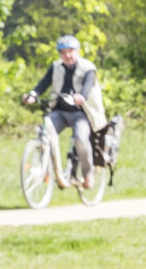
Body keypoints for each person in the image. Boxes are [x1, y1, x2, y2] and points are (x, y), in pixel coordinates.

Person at [21, 36, 107, 188]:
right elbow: (43, 84)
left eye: (70, 51)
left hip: (82, 113)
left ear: (77, 51)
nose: (67, 55)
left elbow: (88, 85)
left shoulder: (88, 68)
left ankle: (88, 172)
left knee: (80, 139)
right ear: (60, 54)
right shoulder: (56, 67)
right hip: (60, 111)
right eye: (63, 52)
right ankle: (49, 170)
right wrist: (33, 95)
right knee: (45, 132)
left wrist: (82, 96)